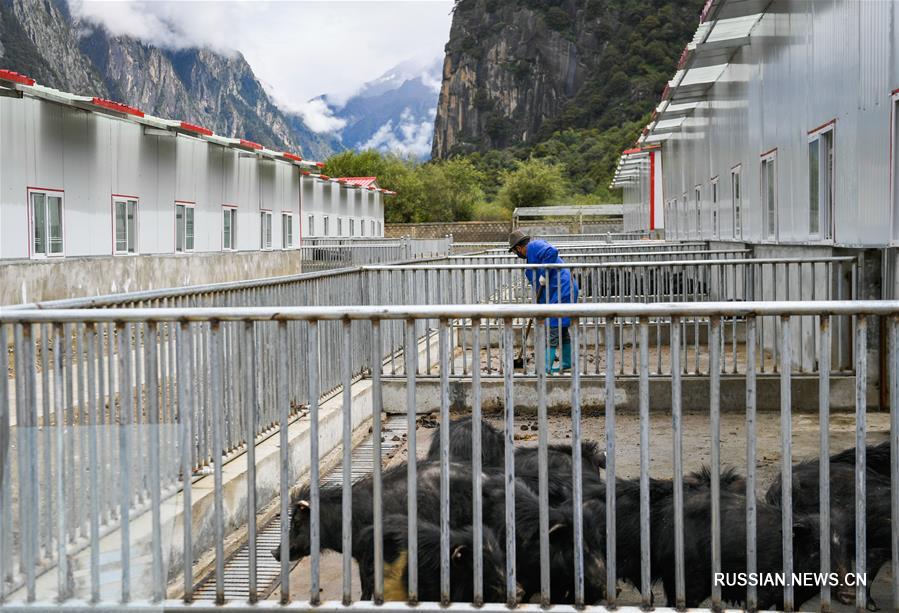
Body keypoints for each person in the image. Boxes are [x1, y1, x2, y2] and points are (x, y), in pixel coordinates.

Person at [508, 230, 578, 373]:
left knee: (553, 328)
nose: (517, 255)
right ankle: (566, 363)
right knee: (562, 328)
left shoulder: (535, 246)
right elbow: (539, 288)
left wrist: (545, 273)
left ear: (518, 248)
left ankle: (545, 368)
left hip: (563, 288)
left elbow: (552, 251)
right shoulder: (529, 267)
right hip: (556, 292)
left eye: (515, 252)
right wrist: (540, 308)